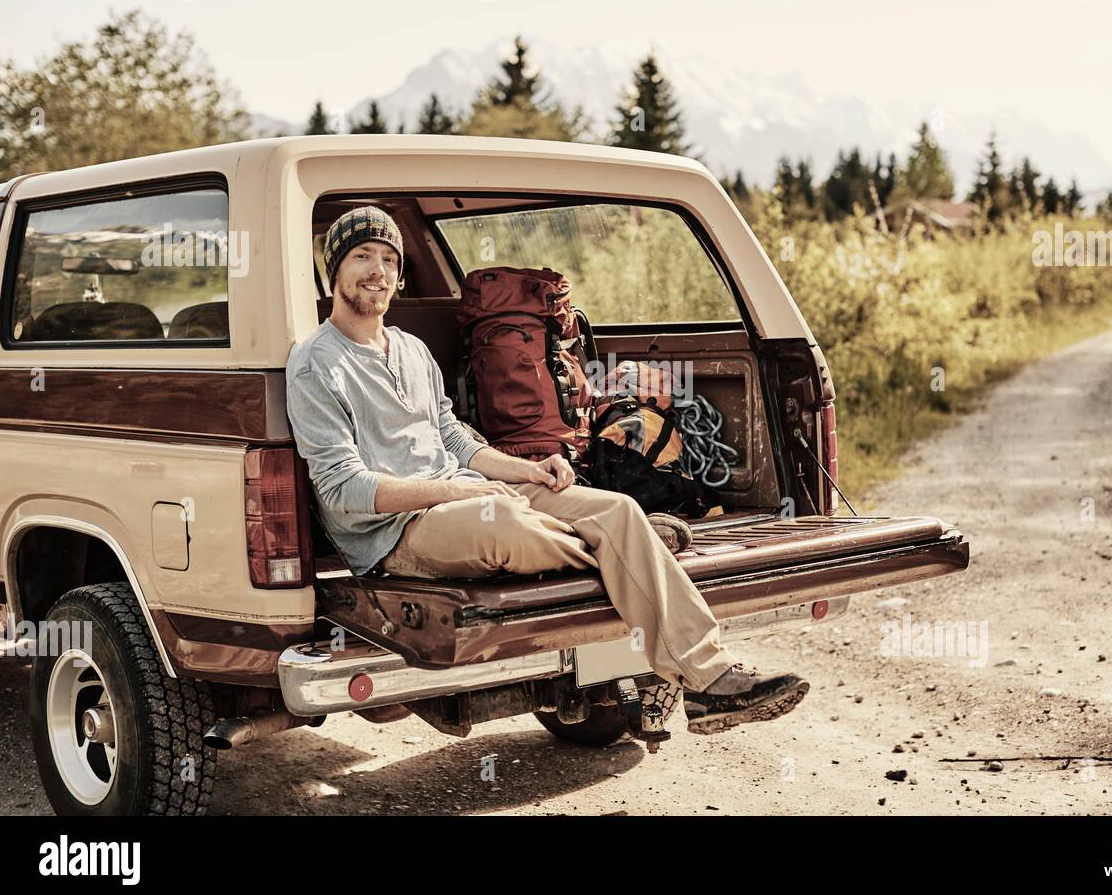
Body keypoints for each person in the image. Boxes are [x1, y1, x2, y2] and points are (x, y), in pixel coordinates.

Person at [286, 206, 809, 734]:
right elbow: (341, 489)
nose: (377, 269)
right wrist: (453, 494)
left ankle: (709, 680)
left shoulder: (413, 350)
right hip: (396, 533)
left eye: (388, 258)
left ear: (399, 276)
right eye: (361, 256)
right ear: (334, 270)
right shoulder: (315, 362)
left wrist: (526, 470)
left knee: (618, 508)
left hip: (472, 494)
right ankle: (631, 550)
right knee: (516, 526)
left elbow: (451, 438)